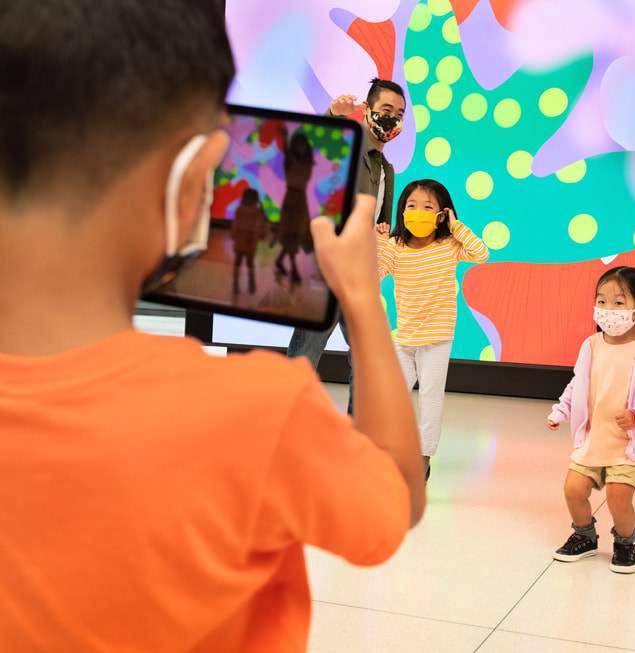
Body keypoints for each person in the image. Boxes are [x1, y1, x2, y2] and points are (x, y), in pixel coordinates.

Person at [0, 2, 425, 651]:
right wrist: (362, 300)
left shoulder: (387, 170)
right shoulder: (259, 410)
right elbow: (395, 499)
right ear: (196, 178)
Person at [546, 267, 635, 573]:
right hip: (594, 439)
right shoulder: (591, 345)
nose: (608, 310)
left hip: (628, 445)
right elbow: (577, 384)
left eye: (619, 303)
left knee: (618, 498)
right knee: (573, 490)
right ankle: (585, 535)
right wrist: (561, 410)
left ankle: (625, 542)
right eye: (602, 301)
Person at [286, 79, 406, 414]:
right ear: (367, 111)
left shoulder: (387, 169)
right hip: (327, 269)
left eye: (399, 114)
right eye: (385, 111)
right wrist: (333, 116)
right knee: (306, 351)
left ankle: (358, 431)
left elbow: (379, 227)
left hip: (361, 274)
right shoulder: (347, 150)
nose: (392, 120)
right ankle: (284, 423)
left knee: (366, 356)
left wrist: (383, 233)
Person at [375, 180, 489, 480]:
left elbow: (481, 253)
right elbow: (374, 274)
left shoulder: (449, 246)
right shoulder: (396, 247)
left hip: (437, 339)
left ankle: (422, 458)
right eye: (411, 206)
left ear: (441, 215)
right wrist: (378, 242)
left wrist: (457, 227)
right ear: (402, 211)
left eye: (428, 207)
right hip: (404, 338)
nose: (418, 212)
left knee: (430, 397)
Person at [274, 131, 315, 284]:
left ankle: (280, 261)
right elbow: (286, 150)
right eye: (297, 144)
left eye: (302, 144)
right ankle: (294, 270)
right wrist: (284, 136)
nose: (300, 147)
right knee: (290, 234)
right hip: (291, 198)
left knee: (296, 234)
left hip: (301, 199)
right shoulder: (290, 160)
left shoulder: (308, 161)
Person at [232, 187, 270, 295]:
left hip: (240, 241)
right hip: (250, 243)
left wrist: (233, 235)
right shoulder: (257, 212)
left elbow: (235, 225)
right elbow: (263, 225)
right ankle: (251, 285)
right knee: (250, 264)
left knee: (238, 263)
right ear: (256, 199)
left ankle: (236, 285)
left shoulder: (239, 209)